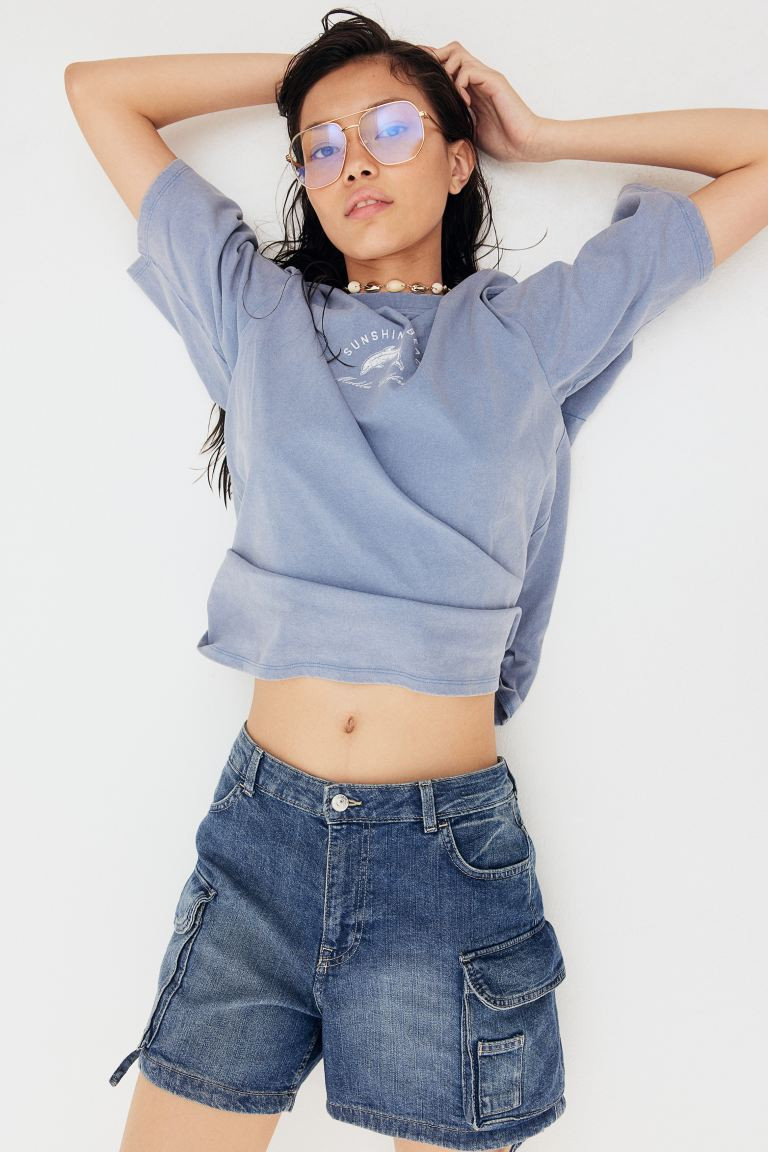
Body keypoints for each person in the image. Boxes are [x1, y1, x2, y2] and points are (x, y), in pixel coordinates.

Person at [64, 8, 765, 1152]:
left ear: (457, 159)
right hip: (261, 839)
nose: (355, 161)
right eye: (322, 145)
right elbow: (97, 90)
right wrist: (317, 77)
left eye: (391, 129)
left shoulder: (533, 330)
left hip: (446, 858)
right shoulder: (255, 315)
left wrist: (545, 135)